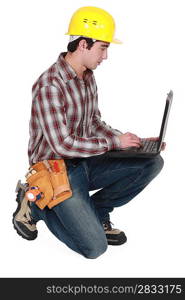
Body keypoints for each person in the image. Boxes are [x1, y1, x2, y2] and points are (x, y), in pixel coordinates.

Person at [12, 6, 164, 259]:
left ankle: (98, 211)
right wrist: (114, 142)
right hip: (56, 171)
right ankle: (35, 203)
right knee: (94, 248)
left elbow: (93, 121)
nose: (105, 56)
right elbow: (62, 145)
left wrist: (128, 142)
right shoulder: (50, 84)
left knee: (151, 161)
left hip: (85, 161)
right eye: (103, 48)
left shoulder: (87, 76)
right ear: (83, 44)